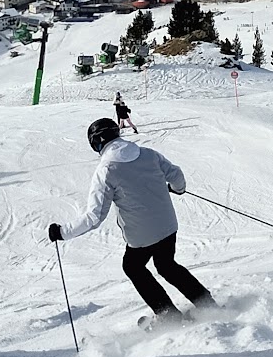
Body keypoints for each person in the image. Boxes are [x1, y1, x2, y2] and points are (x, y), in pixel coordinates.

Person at [48, 118, 215, 318]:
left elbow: (94, 216)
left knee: (133, 267)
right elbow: (176, 175)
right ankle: (206, 302)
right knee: (167, 265)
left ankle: (168, 315)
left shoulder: (106, 170)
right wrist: (178, 189)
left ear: (97, 143)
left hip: (141, 237)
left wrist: (62, 232)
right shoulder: (148, 154)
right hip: (168, 226)